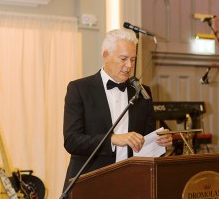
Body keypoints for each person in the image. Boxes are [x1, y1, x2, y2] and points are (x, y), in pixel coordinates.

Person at [63, 28, 172, 188]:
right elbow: (72, 141)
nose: (129, 65)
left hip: (132, 183)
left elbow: (146, 139)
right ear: (106, 55)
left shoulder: (142, 91)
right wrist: (113, 139)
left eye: (133, 60)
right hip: (90, 183)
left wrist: (159, 141)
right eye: (123, 58)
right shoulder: (79, 89)